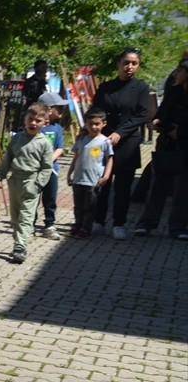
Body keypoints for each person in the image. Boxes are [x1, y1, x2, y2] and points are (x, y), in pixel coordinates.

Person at [92, 48, 150, 239]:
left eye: (134, 63)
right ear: (118, 64)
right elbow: (95, 110)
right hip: (104, 141)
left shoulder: (141, 87)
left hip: (128, 143)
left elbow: (142, 115)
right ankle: (98, 221)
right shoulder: (106, 87)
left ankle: (119, 223)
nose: (130, 67)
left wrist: (120, 133)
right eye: (126, 62)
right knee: (101, 183)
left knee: (123, 186)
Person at [0, 102, 54, 263]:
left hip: (31, 182)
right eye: (31, 119)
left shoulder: (44, 143)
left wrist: (37, 185)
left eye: (38, 120)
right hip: (15, 181)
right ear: (25, 119)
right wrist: (0, 176)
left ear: (45, 123)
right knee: (15, 216)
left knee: (26, 217)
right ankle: (17, 241)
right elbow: (8, 158)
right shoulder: (17, 139)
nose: (33, 123)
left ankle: (20, 246)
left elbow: (46, 168)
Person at [136, 61, 188, 239]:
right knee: (157, 185)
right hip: (166, 145)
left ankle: (178, 228)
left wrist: (180, 131)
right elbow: (161, 112)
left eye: (180, 71)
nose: (176, 74)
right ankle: (146, 224)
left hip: (185, 146)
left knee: (182, 190)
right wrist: (158, 121)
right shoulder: (174, 91)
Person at [66, 107, 114, 238]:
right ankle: (78, 224)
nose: (93, 127)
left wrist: (106, 176)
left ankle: (86, 228)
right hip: (78, 179)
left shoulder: (105, 142)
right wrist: (69, 173)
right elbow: (76, 157)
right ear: (85, 124)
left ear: (104, 124)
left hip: (93, 181)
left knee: (90, 206)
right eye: (90, 124)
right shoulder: (81, 140)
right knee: (78, 205)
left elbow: (110, 160)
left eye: (97, 124)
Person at [35, 92, 68, 237]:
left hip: (51, 170)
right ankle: (29, 224)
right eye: (58, 107)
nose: (62, 110)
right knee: (33, 197)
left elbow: (60, 148)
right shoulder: (36, 126)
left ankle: (49, 224)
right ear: (48, 109)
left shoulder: (57, 128)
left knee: (50, 199)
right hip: (35, 169)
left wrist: (49, 160)